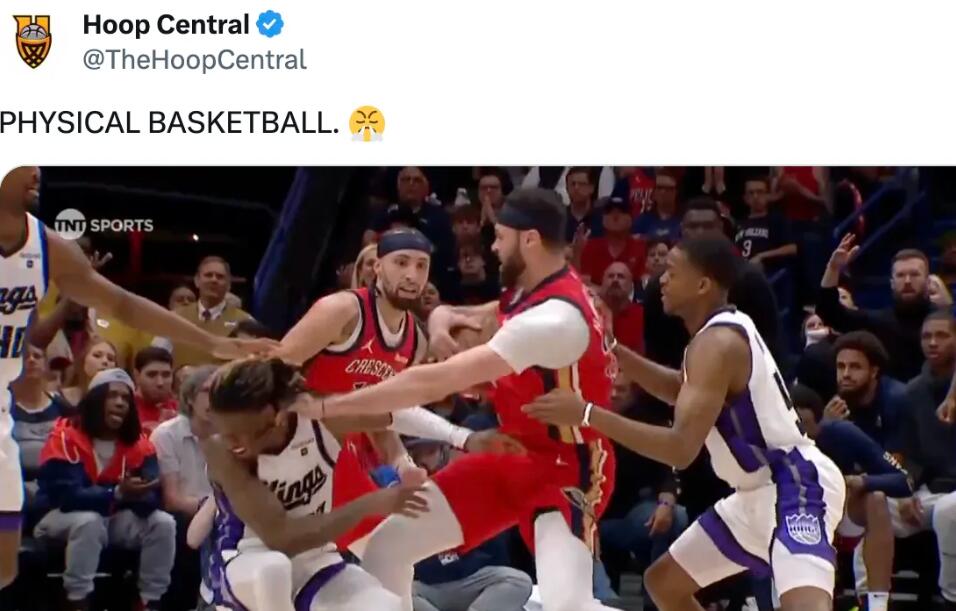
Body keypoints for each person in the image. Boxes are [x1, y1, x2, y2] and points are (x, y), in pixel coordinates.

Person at [298, 188, 619, 611]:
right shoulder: (536, 288)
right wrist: (440, 324)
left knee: (566, 605)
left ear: (529, 239)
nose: (493, 247)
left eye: (500, 237)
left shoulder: (554, 319)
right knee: (386, 549)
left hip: (568, 468)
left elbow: (433, 383)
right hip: (511, 450)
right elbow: (456, 313)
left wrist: (326, 406)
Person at [523, 237, 846, 611]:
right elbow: (681, 390)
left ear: (703, 284)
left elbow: (680, 449)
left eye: (672, 272)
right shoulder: (717, 333)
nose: (661, 279)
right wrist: (612, 350)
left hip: (795, 483)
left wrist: (586, 414)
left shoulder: (718, 343)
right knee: (664, 583)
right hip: (754, 492)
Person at [0, 165, 273, 591]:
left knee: (4, 567)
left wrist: (213, 343)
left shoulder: (46, 244)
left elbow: (122, 303)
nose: (37, 172)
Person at [273, 228, 505, 553]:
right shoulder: (342, 310)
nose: (412, 275)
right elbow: (268, 373)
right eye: (401, 262)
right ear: (378, 267)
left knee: (382, 550)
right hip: (290, 441)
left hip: (340, 449)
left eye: (421, 266)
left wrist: (402, 464)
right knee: (345, 552)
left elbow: (381, 415)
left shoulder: (415, 341)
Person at [201, 358, 429, 611]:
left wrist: (406, 461)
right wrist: (369, 504)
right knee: (273, 571)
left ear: (277, 416)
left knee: (384, 606)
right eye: (224, 431)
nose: (230, 442)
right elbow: (281, 538)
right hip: (245, 560)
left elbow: (390, 417)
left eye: (238, 433)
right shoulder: (220, 451)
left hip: (315, 559)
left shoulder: (319, 421)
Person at [34, 368, 176, 611]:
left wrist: (141, 492)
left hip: (113, 519)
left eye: (126, 398)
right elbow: (66, 496)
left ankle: (149, 601)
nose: (120, 403)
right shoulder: (64, 436)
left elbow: (151, 499)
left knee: (163, 523)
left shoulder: (140, 445)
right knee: (89, 521)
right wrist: (118, 493)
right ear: (95, 400)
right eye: (112, 396)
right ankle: (77, 600)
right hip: (59, 518)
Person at [791, 384, 908, 611]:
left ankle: (877, 604)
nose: (799, 435)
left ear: (821, 423)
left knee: (876, 499)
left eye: (804, 426)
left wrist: (862, 481)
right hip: (792, 518)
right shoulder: (768, 440)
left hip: (840, 513)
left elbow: (904, 479)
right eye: (793, 426)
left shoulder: (843, 433)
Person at [818, 235, 934, 381]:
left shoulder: (946, 319)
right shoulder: (878, 322)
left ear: (928, 282)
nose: (907, 281)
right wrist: (833, 268)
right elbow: (829, 313)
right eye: (900, 275)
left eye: (915, 274)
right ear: (892, 283)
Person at [151, 365, 218, 611]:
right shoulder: (166, 435)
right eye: (207, 391)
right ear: (190, 398)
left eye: (221, 391)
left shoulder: (233, 434)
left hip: (218, 510)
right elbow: (173, 499)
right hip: (187, 514)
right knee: (180, 526)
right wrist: (213, 511)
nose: (215, 398)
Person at [901, 310, 956, 610]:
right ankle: (871, 599)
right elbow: (908, 453)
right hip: (931, 489)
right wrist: (905, 491)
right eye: (927, 336)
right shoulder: (912, 391)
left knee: (948, 513)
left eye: (942, 335)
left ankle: (950, 600)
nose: (933, 342)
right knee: (876, 507)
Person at [169, 256, 255, 367]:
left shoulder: (246, 321)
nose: (214, 280)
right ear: (197, 281)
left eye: (220, 277)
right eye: (208, 275)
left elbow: (254, 364)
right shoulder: (175, 318)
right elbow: (156, 357)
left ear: (229, 285)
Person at [830, 331, 906, 451]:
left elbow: (893, 460)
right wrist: (828, 429)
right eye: (841, 366)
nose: (845, 374)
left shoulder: (898, 400)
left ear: (874, 371)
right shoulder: (840, 402)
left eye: (855, 367)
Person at [133, 346, 178, 435]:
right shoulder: (125, 410)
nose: (160, 383)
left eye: (166, 375)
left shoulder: (181, 411)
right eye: (152, 375)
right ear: (137, 376)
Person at [59, 338, 117, 406]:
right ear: (83, 360)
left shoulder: (117, 403)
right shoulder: (59, 398)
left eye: (110, 359)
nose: (105, 361)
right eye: (97, 355)